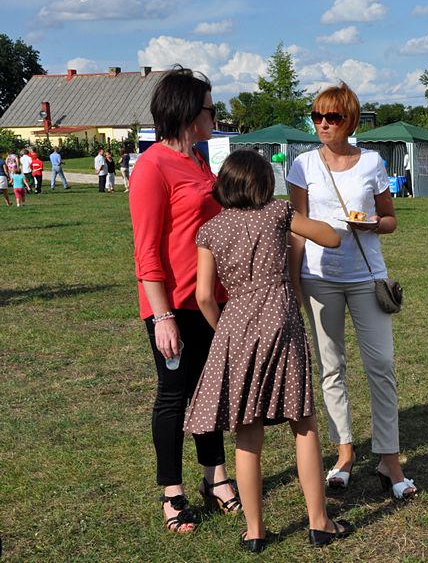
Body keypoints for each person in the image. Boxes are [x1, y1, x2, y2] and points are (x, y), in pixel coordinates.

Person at [184, 150, 353, 551]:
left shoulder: (210, 231)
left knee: (247, 431)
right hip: (281, 319)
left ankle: (255, 530)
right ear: (264, 183)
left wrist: (224, 329)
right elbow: (331, 237)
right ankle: (318, 522)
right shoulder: (278, 214)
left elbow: (204, 296)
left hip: (236, 325)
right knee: (303, 423)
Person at [287, 82, 417, 500]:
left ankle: (389, 459)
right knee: (331, 366)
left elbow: (391, 219)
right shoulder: (302, 164)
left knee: (381, 364)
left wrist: (373, 225)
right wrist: (292, 280)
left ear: (350, 121)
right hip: (318, 278)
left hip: (366, 275)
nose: (323, 124)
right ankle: (344, 453)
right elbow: (296, 226)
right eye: (317, 117)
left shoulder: (372, 162)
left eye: (333, 117)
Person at [129, 66, 240, 534]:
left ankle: (214, 478)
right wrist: (163, 317)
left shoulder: (199, 161)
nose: (216, 115)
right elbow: (147, 250)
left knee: (210, 392)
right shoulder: (152, 166)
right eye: (211, 108)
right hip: (172, 304)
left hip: (211, 300)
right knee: (174, 396)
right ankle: (171, 492)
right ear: (190, 112)